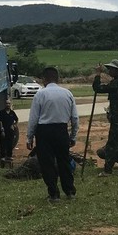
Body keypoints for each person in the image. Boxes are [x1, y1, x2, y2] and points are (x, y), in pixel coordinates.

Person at [26, 66, 79, 202]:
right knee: (64, 161)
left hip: (44, 132)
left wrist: (29, 137)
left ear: (44, 79)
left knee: (47, 163)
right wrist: (72, 136)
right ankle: (70, 191)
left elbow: (33, 118)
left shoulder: (40, 94)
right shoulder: (67, 94)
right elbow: (75, 118)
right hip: (61, 130)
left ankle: (54, 194)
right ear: (58, 78)